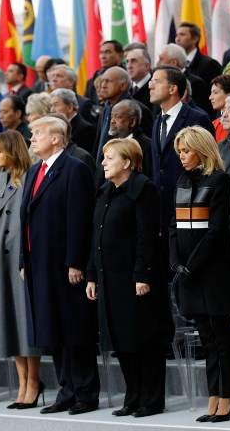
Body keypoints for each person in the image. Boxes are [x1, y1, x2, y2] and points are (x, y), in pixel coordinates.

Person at [20, 116, 99, 415]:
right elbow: (26, 218)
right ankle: (66, 390)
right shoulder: (33, 171)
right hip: (39, 262)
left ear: (56, 138)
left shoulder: (74, 168)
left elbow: (78, 219)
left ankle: (85, 392)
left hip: (65, 263)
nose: (32, 138)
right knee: (52, 328)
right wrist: (23, 259)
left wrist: (75, 261)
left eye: (37, 133)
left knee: (74, 327)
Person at [86, 138, 170, 418]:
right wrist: (91, 276)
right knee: (121, 340)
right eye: (104, 158)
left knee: (143, 338)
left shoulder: (143, 189)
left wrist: (142, 274)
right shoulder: (105, 191)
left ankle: (152, 398)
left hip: (135, 279)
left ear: (127, 163)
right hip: (108, 278)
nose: (103, 163)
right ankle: (133, 395)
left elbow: (148, 237)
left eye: (110, 158)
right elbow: (95, 237)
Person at [169, 127, 230, 422]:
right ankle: (213, 393)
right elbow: (174, 227)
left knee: (221, 337)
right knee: (205, 337)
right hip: (187, 273)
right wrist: (175, 262)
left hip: (212, 271)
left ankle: (228, 394)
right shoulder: (182, 180)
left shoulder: (220, 181)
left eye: (186, 150)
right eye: (179, 151)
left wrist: (192, 265)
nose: (182, 156)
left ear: (202, 149)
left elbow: (217, 231)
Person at [0, 131, 43, 409]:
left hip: (19, 263)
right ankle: (22, 381)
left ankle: (33, 382)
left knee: (24, 324)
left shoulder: (31, 178)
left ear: (13, 151)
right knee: (8, 324)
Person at [150, 65, 215, 237]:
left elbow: (208, 162)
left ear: (173, 88)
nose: (150, 86)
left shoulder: (197, 118)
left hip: (189, 208)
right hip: (161, 211)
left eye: (156, 81)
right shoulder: (157, 121)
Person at [176, 22, 222, 115]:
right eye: (177, 35)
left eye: (182, 34)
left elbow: (218, 95)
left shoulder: (209, 64)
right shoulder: (177, 64)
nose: (177, 39)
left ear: (195, 39)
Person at [105, 100, 153, 178]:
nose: (112, 121)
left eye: (118, 117)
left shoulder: (146, 146)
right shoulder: (109, 144)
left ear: (132, 122)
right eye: (111, 117)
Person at [50, 88, 96, 153]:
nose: (52, 110)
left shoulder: (85, 129)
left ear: (70, 107)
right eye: (51, 106)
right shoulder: (56, 127)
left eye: (56, 105)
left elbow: (82, 157)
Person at [85, 40, 124, 106]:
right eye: (101, 53)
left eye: (107, 52)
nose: (103, 56)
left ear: (120, 55)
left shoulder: (127, 77)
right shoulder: (94, 79)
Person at [124, 43, 154, 111]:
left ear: (147, 66)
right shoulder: (124, 89)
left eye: (134, 61)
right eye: (127, 62)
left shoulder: (156, 88)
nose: (129, 66)